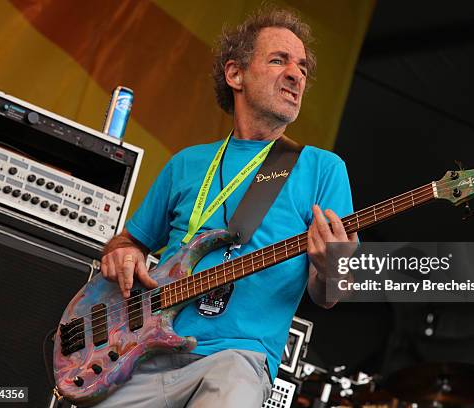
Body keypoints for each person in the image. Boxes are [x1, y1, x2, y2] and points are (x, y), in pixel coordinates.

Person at [97, 7, 357, 408]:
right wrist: (123, 253)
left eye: (303, 67)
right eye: (278, 60)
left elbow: (328, 295)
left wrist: (332, 266)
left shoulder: (323, 169)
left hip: (236, 360)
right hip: (141, 353)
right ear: (235, 74)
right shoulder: (187, 162)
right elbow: (127, 242)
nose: (296, 74)